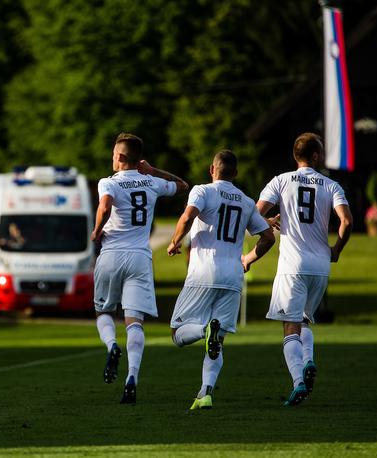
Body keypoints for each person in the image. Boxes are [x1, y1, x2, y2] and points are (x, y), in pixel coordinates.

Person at [167, 150, 275, 410]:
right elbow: (268, 237)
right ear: (235, 174)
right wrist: (248, 259)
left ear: (211, 169)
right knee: (218, 341)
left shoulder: (202, 191)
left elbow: (188, 216)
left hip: (204, 271)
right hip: (233, 275)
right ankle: (205, 393)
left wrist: (174, 242)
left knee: (177, 333)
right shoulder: (247, 202)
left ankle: (205, 331)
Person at [255, 132, 352, 406]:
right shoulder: (331, 185)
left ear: (295, 156)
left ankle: (298, 382)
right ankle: (308, 360)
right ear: (317, 156)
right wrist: (336, 250)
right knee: (305, 320)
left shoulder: (281, 180)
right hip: (320, 266)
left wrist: (269, 221)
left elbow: (254, 212)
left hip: (292, 266)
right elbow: (347, 220)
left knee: (290, 326)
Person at [92, 132, 188, 404]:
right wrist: (153, 169)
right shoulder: (151, 182)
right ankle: (132, 376)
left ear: (120, 157)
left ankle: (112, 346)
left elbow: (105, 205)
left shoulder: (108, 183)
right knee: (135, 321)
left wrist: (97, 230)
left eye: (114, 154)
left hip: (111, 253)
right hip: (140, 258)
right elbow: (182, 186)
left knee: (103, 311)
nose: (112, 158)